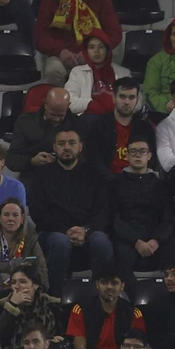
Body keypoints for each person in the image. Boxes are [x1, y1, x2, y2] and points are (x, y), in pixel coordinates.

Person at [25, 128, 112, 298]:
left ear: (80, 147)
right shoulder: (41, 176)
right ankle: (52, 298)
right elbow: (38, 213)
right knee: (60, 242)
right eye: (61, 143)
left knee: (101, 240)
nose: (66, 147)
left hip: (88, 233)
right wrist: (65, 230)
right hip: (52, 234)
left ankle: (101, 298)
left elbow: (102, 211)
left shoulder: (95, 175)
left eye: (71, 143)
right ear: (54, 148)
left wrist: (85, 230)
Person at [34, 0, 121, 87]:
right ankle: (59, 105)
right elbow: (40, 36)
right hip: (60, 55)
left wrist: (91, 51)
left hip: (93, 52)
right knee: (53, 70)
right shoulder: (50, 1)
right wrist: (60, 51)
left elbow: (114, 32)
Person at [110, 136, 175, 288]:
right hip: (128, 239)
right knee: (118, 257)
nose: (137, 155)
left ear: (149, 156)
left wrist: (156, 240)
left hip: (155, 238)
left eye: (142, 151)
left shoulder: (161, 185)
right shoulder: (115, 184)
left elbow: (169, 219)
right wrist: (136, 241)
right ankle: (138, 304)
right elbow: (113, 219)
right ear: (126, 156)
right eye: (133, 151)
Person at [67, 267, 146, 349]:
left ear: (122, 286)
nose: (109, 287)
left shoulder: (133, 313)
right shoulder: (80, 309)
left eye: (114, 283)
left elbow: (136, 347)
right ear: (97, 285)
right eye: (104, 282)